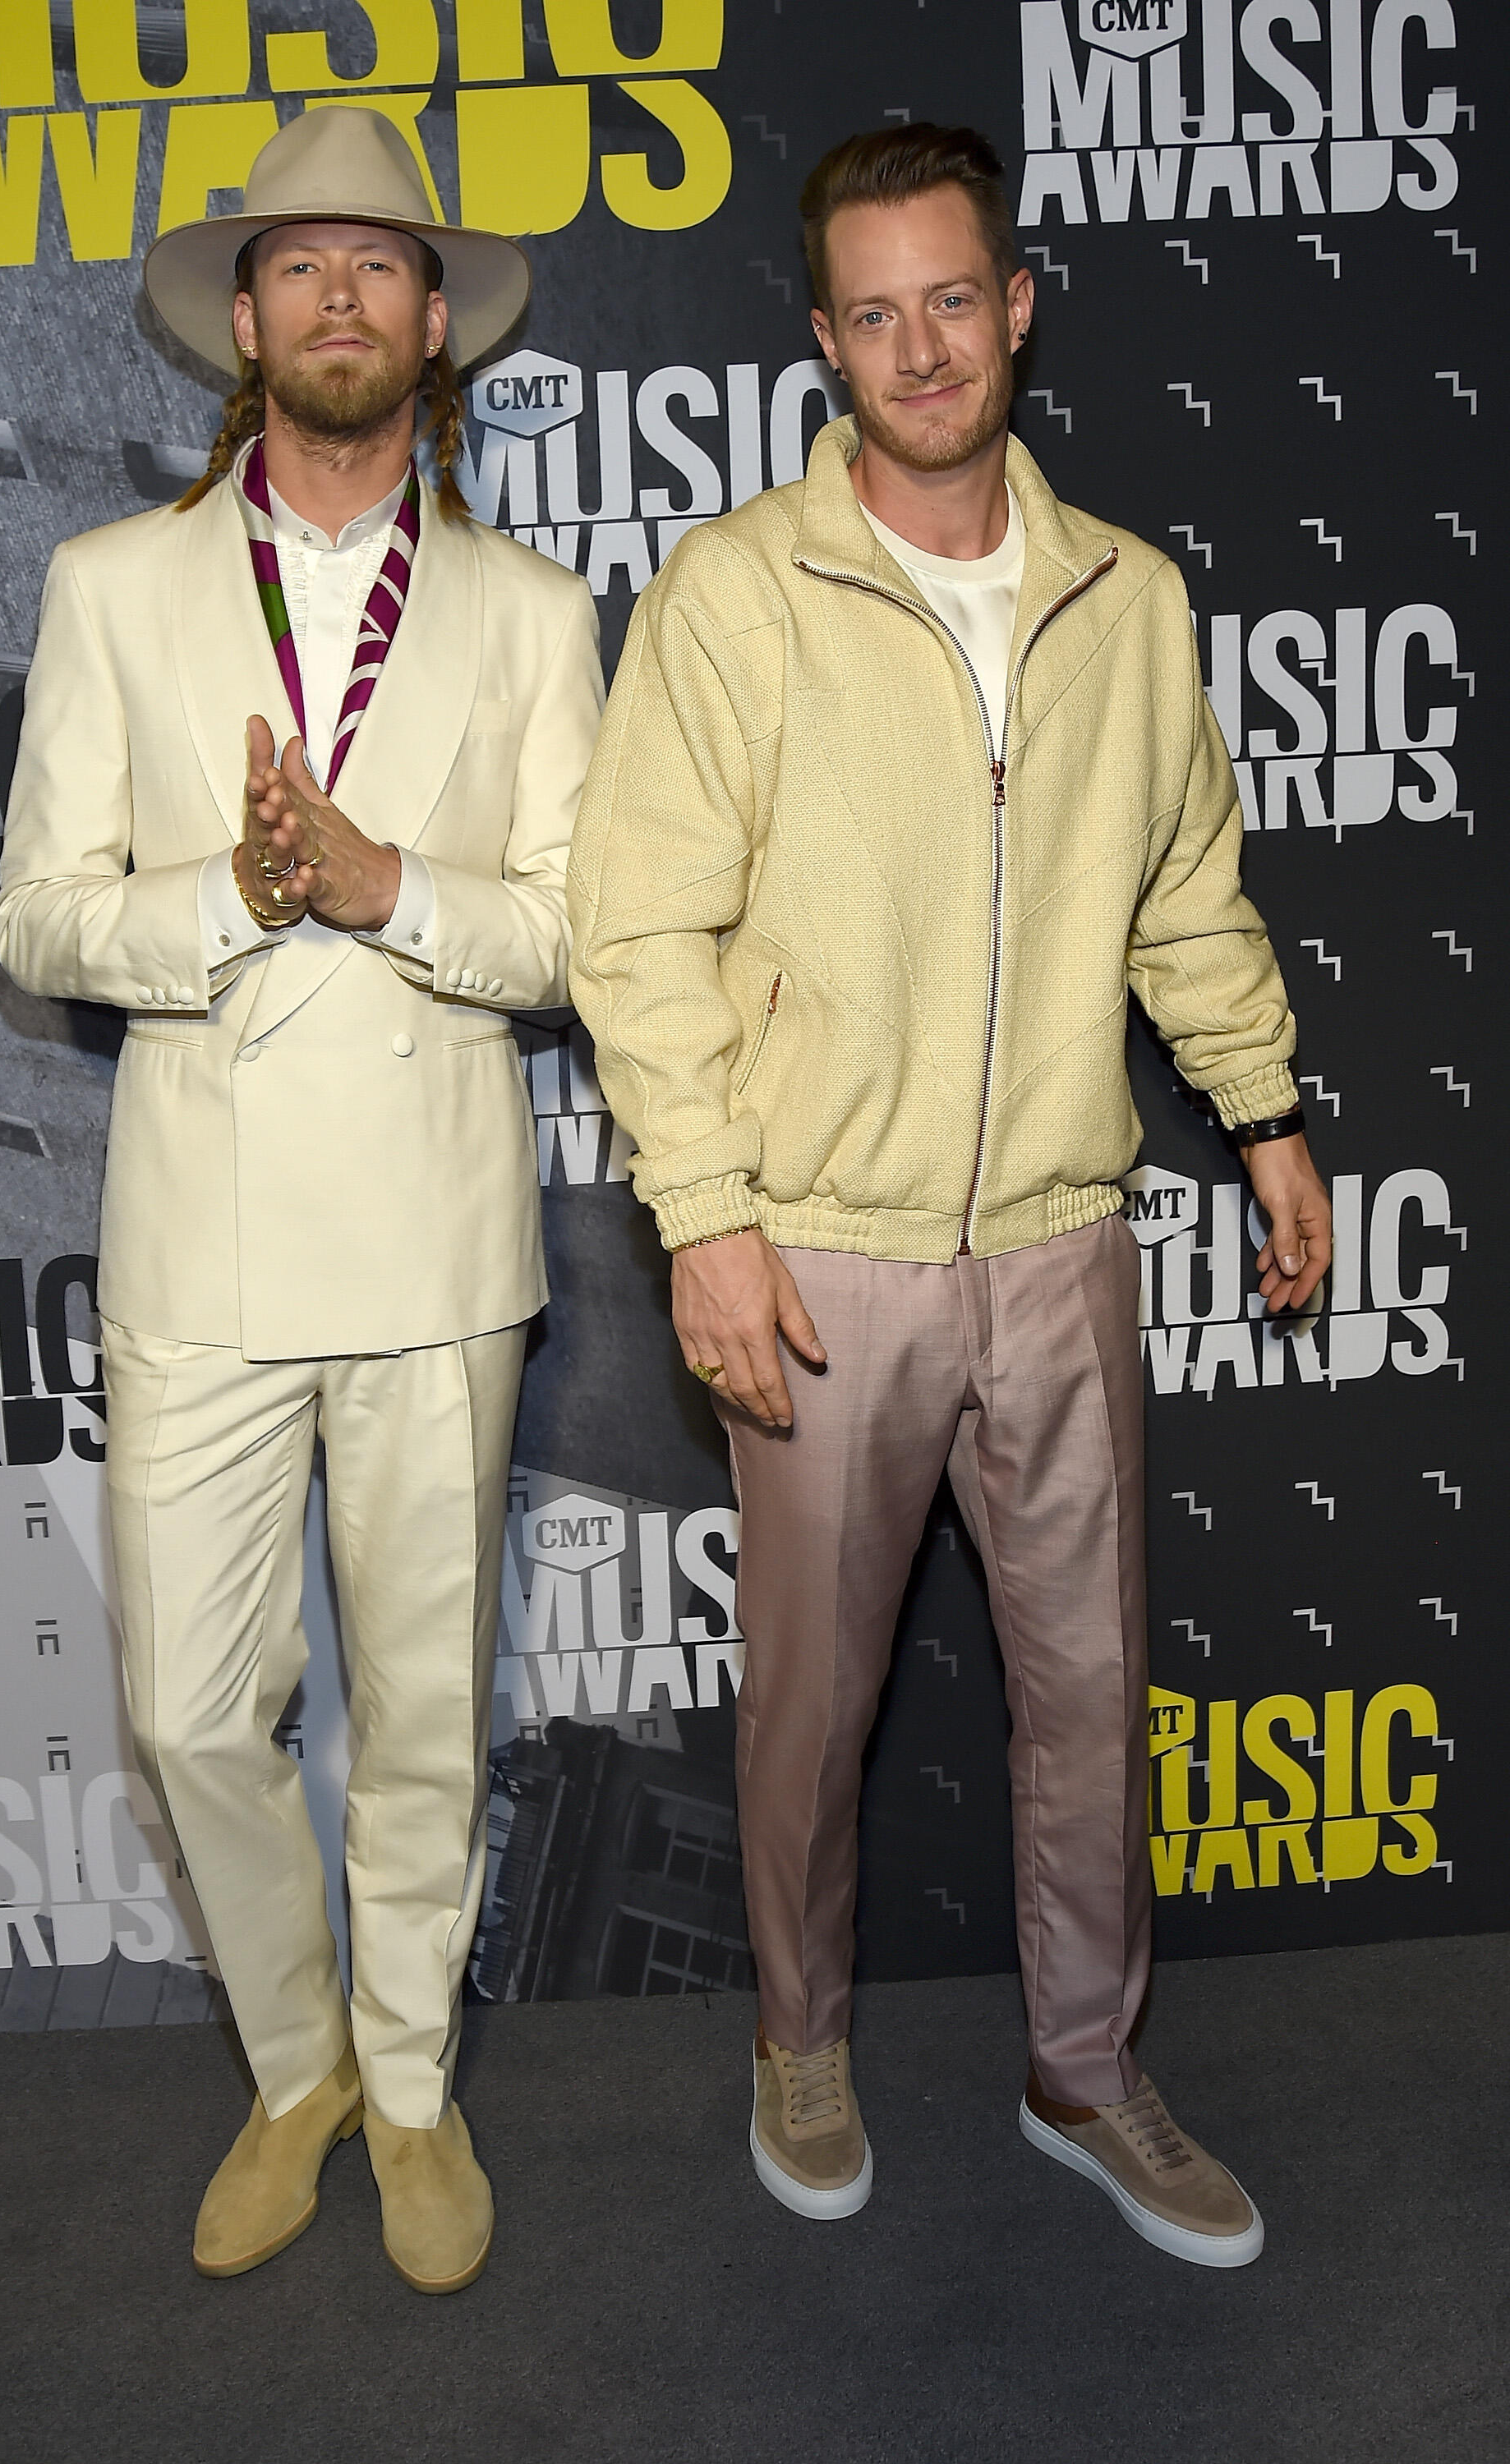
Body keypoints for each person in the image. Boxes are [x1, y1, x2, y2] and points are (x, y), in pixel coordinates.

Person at [568, 123, 1329, 2267]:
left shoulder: (1130, 597)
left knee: (1089, 1691)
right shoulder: (737, 595)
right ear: (826, 340)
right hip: (820, 1256)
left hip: (1065, 1247)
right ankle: (799, 2043)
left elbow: (1187, 891)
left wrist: (1264, 1111)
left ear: (1017, 305)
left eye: (954, 298)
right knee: (814, 1705)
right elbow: (633, 934)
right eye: (874, 312)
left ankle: (1086, 2066)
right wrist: (708, 1214)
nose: (922, 345)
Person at [0, 107, 602, 2292]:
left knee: (427, 1711)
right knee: (180, 1713)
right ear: (241, 321)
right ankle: (294, 2061)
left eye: (381, 269)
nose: (341, 300)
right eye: (301, 268)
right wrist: (234, 899)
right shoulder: (114, 589)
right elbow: (41, 926)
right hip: (204, 1248)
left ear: (434, 324)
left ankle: (415, 2089)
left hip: (439, 1249)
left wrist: (384, 885)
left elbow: (574, 939)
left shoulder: (535, 615)